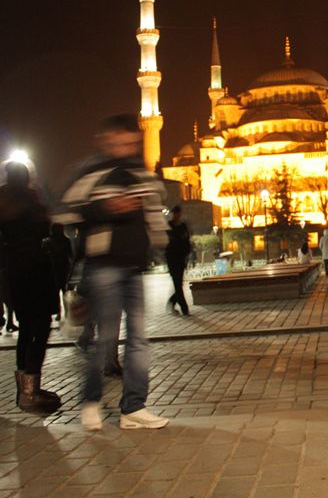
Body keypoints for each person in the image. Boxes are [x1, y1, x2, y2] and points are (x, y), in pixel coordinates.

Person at [57, 113, 170, 429]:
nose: (124, 148)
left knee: (138, 340)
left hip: (135, 267)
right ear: (106, 142)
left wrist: (154, 241)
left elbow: (156, 206)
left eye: (130, 142)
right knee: (105, 338)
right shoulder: (91, 173)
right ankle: (91, 401)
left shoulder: (140, 173)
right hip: (103, 266)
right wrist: (107, 208)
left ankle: (133, 408)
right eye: (118, 142)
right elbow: (65, 210)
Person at [0, 160, 61, 413]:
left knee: (26, 327)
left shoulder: (2, 200)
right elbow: (45, 227)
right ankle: (30, 390)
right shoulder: (29, 200)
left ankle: (24, 390)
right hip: (34, 267)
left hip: (12, 271)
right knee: (41, 326)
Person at [165, 205, 191, 316]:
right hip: (172, 259)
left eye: (179, 213)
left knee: (179, 284)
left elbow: (186, 241)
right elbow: (168, 242)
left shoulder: (183, 226)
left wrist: (187, 255)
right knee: (177, 284)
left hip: (181, 259)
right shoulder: (168, 226)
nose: (177, 216)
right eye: (176, 213)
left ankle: (171, 302)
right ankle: (184, 309)